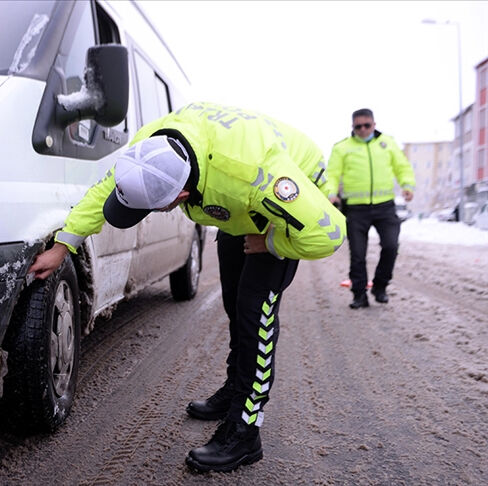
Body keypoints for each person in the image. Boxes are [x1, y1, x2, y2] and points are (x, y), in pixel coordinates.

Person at [28, 101, 346, 473]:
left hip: (282, 202)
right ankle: (234, 391)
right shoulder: (152, 149)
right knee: (233, 300)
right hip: (230, 196)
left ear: (179, 198)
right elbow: (104, 194)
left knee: (253, 313)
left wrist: (273, 243)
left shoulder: (255, 176)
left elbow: (330, 233)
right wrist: (64, 244)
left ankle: (246, 432)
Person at [326, 108, 415, 309]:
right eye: (358, 126)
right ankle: (359, 294)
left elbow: (402, 167)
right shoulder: (342, 148)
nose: (363, 129)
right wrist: (331, 193)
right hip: (356, 210)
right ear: (353, 127)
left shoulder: (387, 143)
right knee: (358, 254)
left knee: (391, 246)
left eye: (367, 125)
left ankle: (380, 286)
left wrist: (407, 185)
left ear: (374, 125)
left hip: (385, 207)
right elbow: (332, 174)